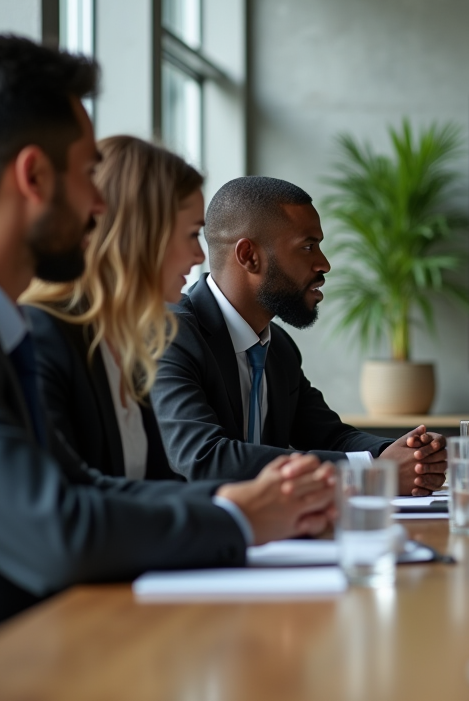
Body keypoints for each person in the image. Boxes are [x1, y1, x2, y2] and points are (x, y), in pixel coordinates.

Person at [0, 35, 337, 641]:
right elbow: (59, 529)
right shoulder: (12, 334)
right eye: (89, 174)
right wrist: (240, 517)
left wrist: (258, 507)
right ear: (33, 175)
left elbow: (86, 487)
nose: (98, 203)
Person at [151, 176, 446, 495]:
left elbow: (332, 437)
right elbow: (205, 458)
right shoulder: (171, 335)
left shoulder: (278, 348)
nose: (324, 264)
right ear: (249, 256)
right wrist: (373, 471)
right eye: (308, 246)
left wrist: (411, 455)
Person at [22, 136, 206, 479]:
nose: (200, 256)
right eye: (193, 234)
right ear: (144, 234)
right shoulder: (43, 337)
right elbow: (67, 502)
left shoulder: (129, 345)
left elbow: (155, 489)